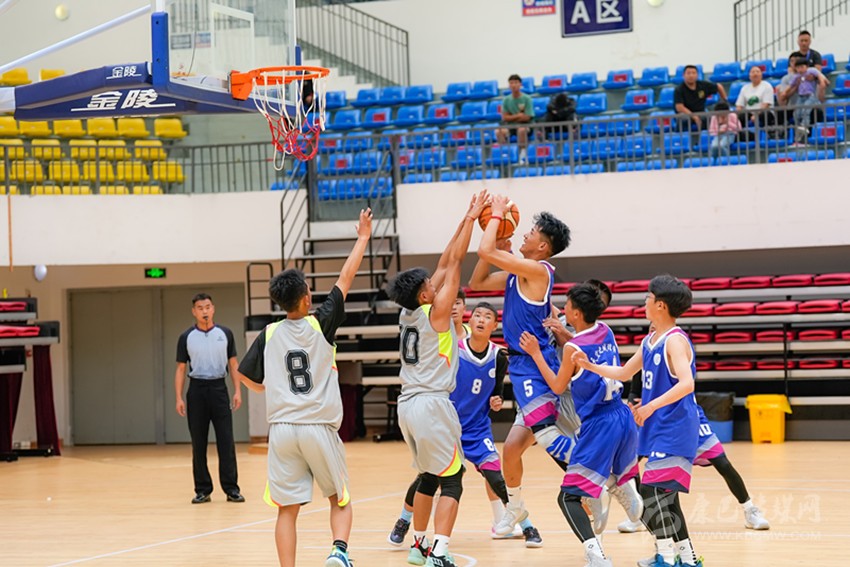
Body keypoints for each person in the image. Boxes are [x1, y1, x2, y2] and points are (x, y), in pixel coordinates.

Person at [237, 208, 373, 567]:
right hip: (318, 426)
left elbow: (245, 375)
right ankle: (338, 552)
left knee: (287, 509)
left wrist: (269, 391)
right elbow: (345, 278)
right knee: (339, 499)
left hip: (282, 430)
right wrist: (363, 237)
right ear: (306, 298)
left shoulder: (268, 333)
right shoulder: (320, 324)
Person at [387, 301, 544, 550]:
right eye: (477, 315)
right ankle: (404, 520)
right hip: (447, 426)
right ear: (470, 321)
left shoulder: (498, 356)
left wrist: (497, 400)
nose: (481, 319)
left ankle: (526, 525)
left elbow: (497, 391)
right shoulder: (454, 349)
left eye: (487, 317)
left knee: (496, 477)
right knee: (427, 478)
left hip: (477, 429)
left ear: (495, 325)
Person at [573, 275, 703, 567]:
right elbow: (622, 372)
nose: (644, 301)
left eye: (648, 297)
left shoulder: (675, 341)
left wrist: (650, 406)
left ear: (660, 305)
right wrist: (589, 365)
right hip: (660, 427)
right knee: (665, 496)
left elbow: (687, 383)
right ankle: (688, 558)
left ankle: (665, 558)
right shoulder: (650, 341)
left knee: (651, 491)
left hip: (676, 426)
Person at [387, 190, 489, 567]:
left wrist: (467, 217)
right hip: (432, 404)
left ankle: (418, 547)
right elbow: (455, 261)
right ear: (424, 294)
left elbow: (446, 258)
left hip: (407, 405)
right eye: (429, 284)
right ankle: (440, 552)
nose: (435, 283)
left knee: (428, 475)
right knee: (453, 478)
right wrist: (473, 219)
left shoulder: (407, 314)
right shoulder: (438, 313)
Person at [470, 196, 575, 537]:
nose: (525, 234)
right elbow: (478, 282)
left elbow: (485, 250)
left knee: (547, 436)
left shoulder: (538, 270)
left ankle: (596, 477)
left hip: (534, 363)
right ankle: (514, 508)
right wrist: (496, 247)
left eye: (531, 231)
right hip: (521, 365)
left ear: (543, 246)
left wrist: (496, 217)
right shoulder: (519, 272)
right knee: (512, 449)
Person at [520, 283, 642, 567]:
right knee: (608, 476)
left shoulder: (573, 348)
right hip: (621, 415)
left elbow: (557, 385)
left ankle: (597, 556)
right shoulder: (606, 330)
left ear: (576, 313)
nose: (564, 309)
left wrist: (536, 353)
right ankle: (621, 487)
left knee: (568, 498)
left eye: (567, 305)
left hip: (599, 423)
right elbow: (582, 342)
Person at [618, 367, 771, 534]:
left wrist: (652, 403)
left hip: (685, 417)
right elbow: (634, 392)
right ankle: (640, 515)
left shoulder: (677, 353)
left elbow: (684, 387)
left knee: (722, 462)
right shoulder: (645, 356)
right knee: (631, 461)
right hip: (655, 420)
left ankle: (750, 510)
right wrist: (634, 404)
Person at [175, 293, 244, 505]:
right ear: (193, 311)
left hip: (219, 389)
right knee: (199, 442)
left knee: (226, 440)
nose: (204, 311)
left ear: (213, 309)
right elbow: (180, 369)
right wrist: (178, 397)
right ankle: (203, 490)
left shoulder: (225, 334)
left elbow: (233, 364)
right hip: (196, 390)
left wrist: (237, 391)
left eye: (207, 307)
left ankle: (231, 489)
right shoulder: (186, 337)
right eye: (200, 308)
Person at [674, 65, 728, 130]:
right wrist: (694, 116)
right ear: (683, 75)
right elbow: (679, 107)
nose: (691, 75)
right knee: (683, 120)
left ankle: (709, 135)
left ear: (697, 75)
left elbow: (719, 86)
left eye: (693, 73)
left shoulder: (703, 85)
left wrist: (725, 102)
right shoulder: (679, 89)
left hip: (701, 113)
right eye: (688, 73)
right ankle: (680, 136)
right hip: (686, 114)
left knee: (710, 118)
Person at [497, 74, 535, 163]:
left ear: (520, 84)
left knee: (521, 130)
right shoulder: (506, 100)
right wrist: (518, 115)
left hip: (525, 125)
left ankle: (523, 154)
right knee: (499, 131)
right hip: (510, 126)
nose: (513, 85)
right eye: (511, 83)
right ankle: (505, 153)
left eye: (516, 82)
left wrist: (512, 117)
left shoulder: (527, 99)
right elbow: (505, 117)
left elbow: (527, 117)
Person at [787, 58, 825, 144]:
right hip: (801, 97)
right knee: (796, 113)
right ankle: (798, 127)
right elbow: (791, 85)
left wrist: (822, 82)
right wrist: (785, 92)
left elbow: (820, 76)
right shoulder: (796, 76)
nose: (800, 69)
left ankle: (805, 126)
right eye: (798, 67)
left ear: (807, 66)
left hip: (811, 96)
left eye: (802, 67)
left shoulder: (811, 71)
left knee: (805, 110)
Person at [735, 66, 775, 131]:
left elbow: (766, 104)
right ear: (749, 76)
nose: (755, 74)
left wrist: (756, 115)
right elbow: (739, 105)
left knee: (764, 115)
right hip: (749, 113)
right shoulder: (745, 88)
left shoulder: (767, 86)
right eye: (753, 72)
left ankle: (768, 133)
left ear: (761, 75)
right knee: (741, 117)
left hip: (763, 112)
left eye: (757, 72)